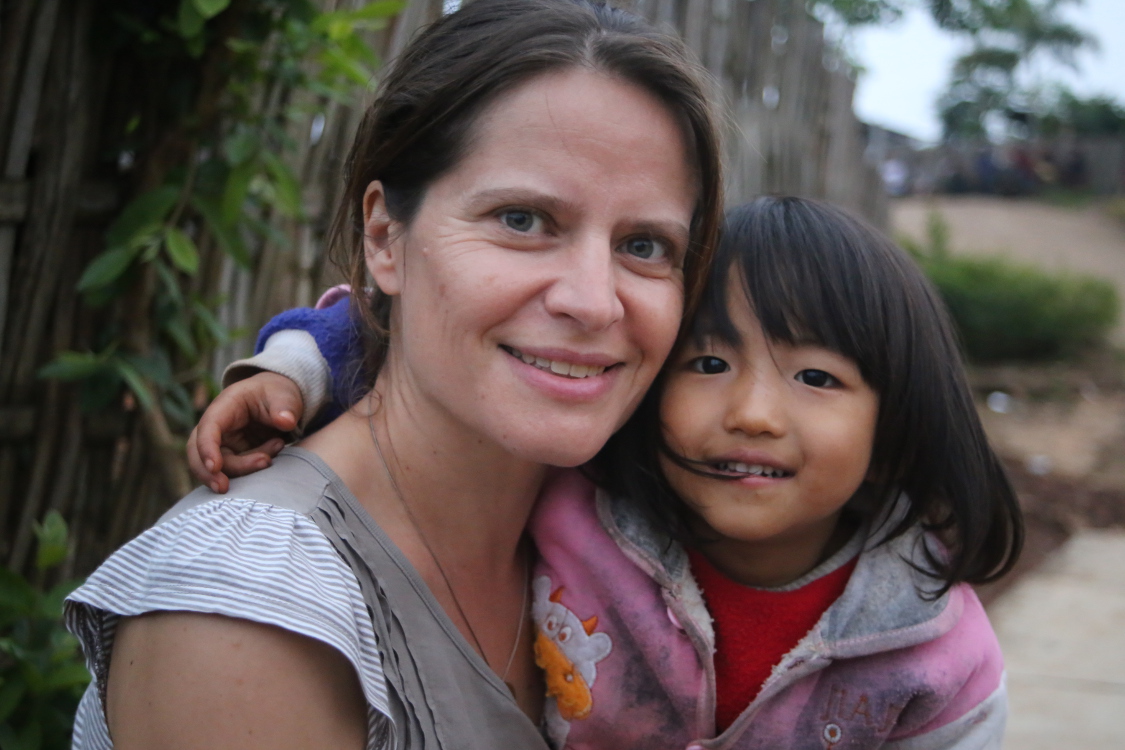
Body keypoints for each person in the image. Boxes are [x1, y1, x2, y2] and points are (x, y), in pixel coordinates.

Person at [63, 1, 723, 747]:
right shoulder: (255, 604)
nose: (593, 300)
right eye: (521, 220)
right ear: (384, 237)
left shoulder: (638, 540)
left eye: (643, 244)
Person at [201, 197, 1022, 749]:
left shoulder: (932, 653)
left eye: (816, 379)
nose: (754, 414)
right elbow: (411, 334)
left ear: (897, 423)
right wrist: (291, 374)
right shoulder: (577, 499)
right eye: (706, 362)